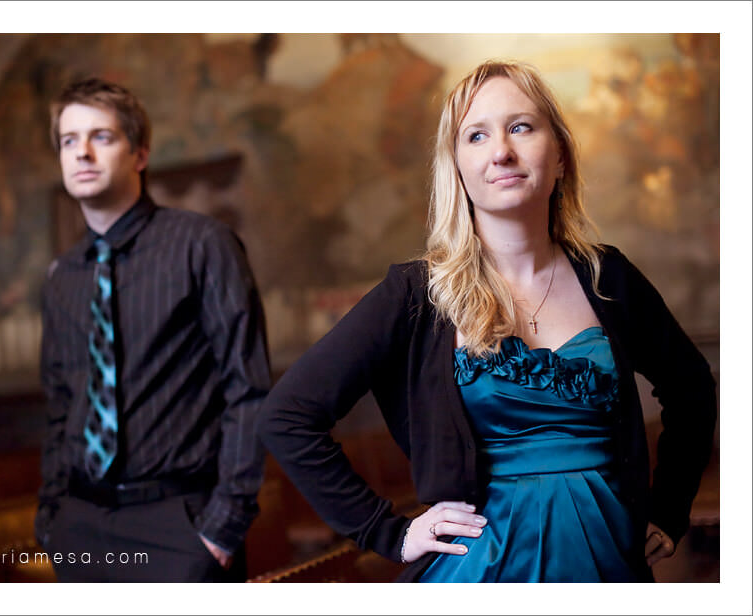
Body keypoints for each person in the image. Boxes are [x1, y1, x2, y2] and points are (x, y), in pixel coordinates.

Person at [257, 60, 717, 582]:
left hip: (608, 564)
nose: (501, 151)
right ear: (457, 167)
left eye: (521, 127)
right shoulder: (415, 294)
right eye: (476, 136)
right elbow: (286, 416)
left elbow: (693, 388)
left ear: (560, 154)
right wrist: (388, 532)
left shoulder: (609, 276)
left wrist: (670, 508)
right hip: (481, 572)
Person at [35, 78, 271, 582]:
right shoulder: (61, 277)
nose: (82, 153)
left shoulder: (203, 245)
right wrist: (52, 520)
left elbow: (248, 392)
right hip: (80, 527)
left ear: (140, 153)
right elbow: (59, 405)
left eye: (101, 137)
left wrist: (222, 527)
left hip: (180, 524)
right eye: (68, 140)